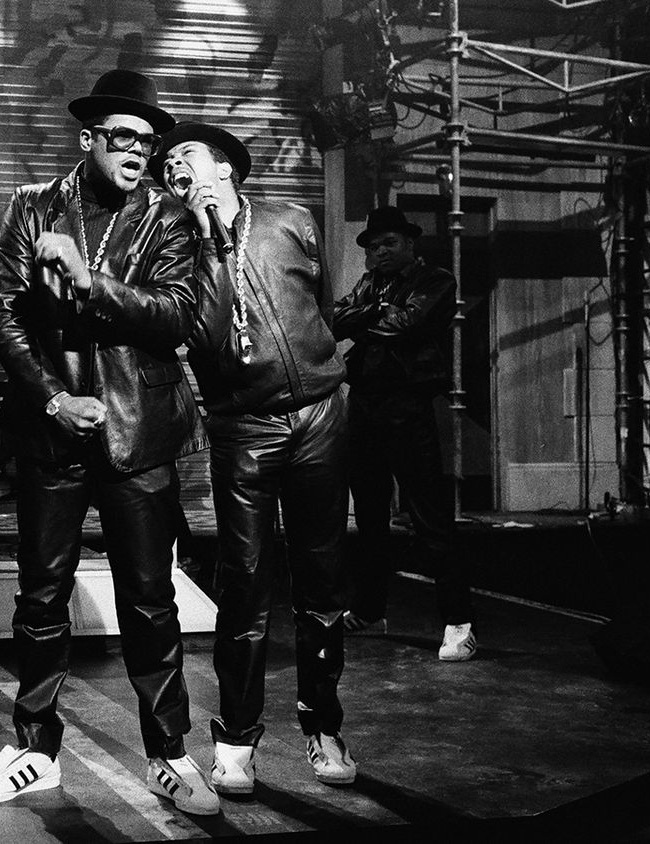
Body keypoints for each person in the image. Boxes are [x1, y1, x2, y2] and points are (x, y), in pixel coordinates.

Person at [0, 70, 219, 816]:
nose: (139, 151)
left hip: (138, 429)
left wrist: (90, 280)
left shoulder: (167, 216)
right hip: (52, 429)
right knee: (41, 595)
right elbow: (1, 311)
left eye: (149, 142)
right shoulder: (32, 205)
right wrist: (52, 397)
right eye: (123, 138)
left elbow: (176, 316)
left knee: (149, 599)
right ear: (89, 139)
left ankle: (168, 752)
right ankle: (35, 749)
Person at [149, 122, 356, 795]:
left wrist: (321, 379)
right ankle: (236, 739)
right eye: (166, 168)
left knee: (323, 583)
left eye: (185, 157)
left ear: (226, 168)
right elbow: (206, 333)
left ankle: (323, 726)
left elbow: (321, 309)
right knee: (243, 585)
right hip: (243, 427)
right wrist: (209, 238)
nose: (173, 170)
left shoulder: (290, 220)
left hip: (319, 417)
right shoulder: (175, 243)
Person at [331, 206, 476, 662]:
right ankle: (370, 609)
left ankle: (459, 623)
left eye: (389, 243)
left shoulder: (436, 279)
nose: (379, 252)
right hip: (366, 407)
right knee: (369, 517)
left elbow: (407, 325)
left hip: (408, 408)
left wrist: (365, 317)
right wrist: (376, 310)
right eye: (373, 246)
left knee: (430, 517)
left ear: (410, 244)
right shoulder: (371, 285)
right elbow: (333, 321)